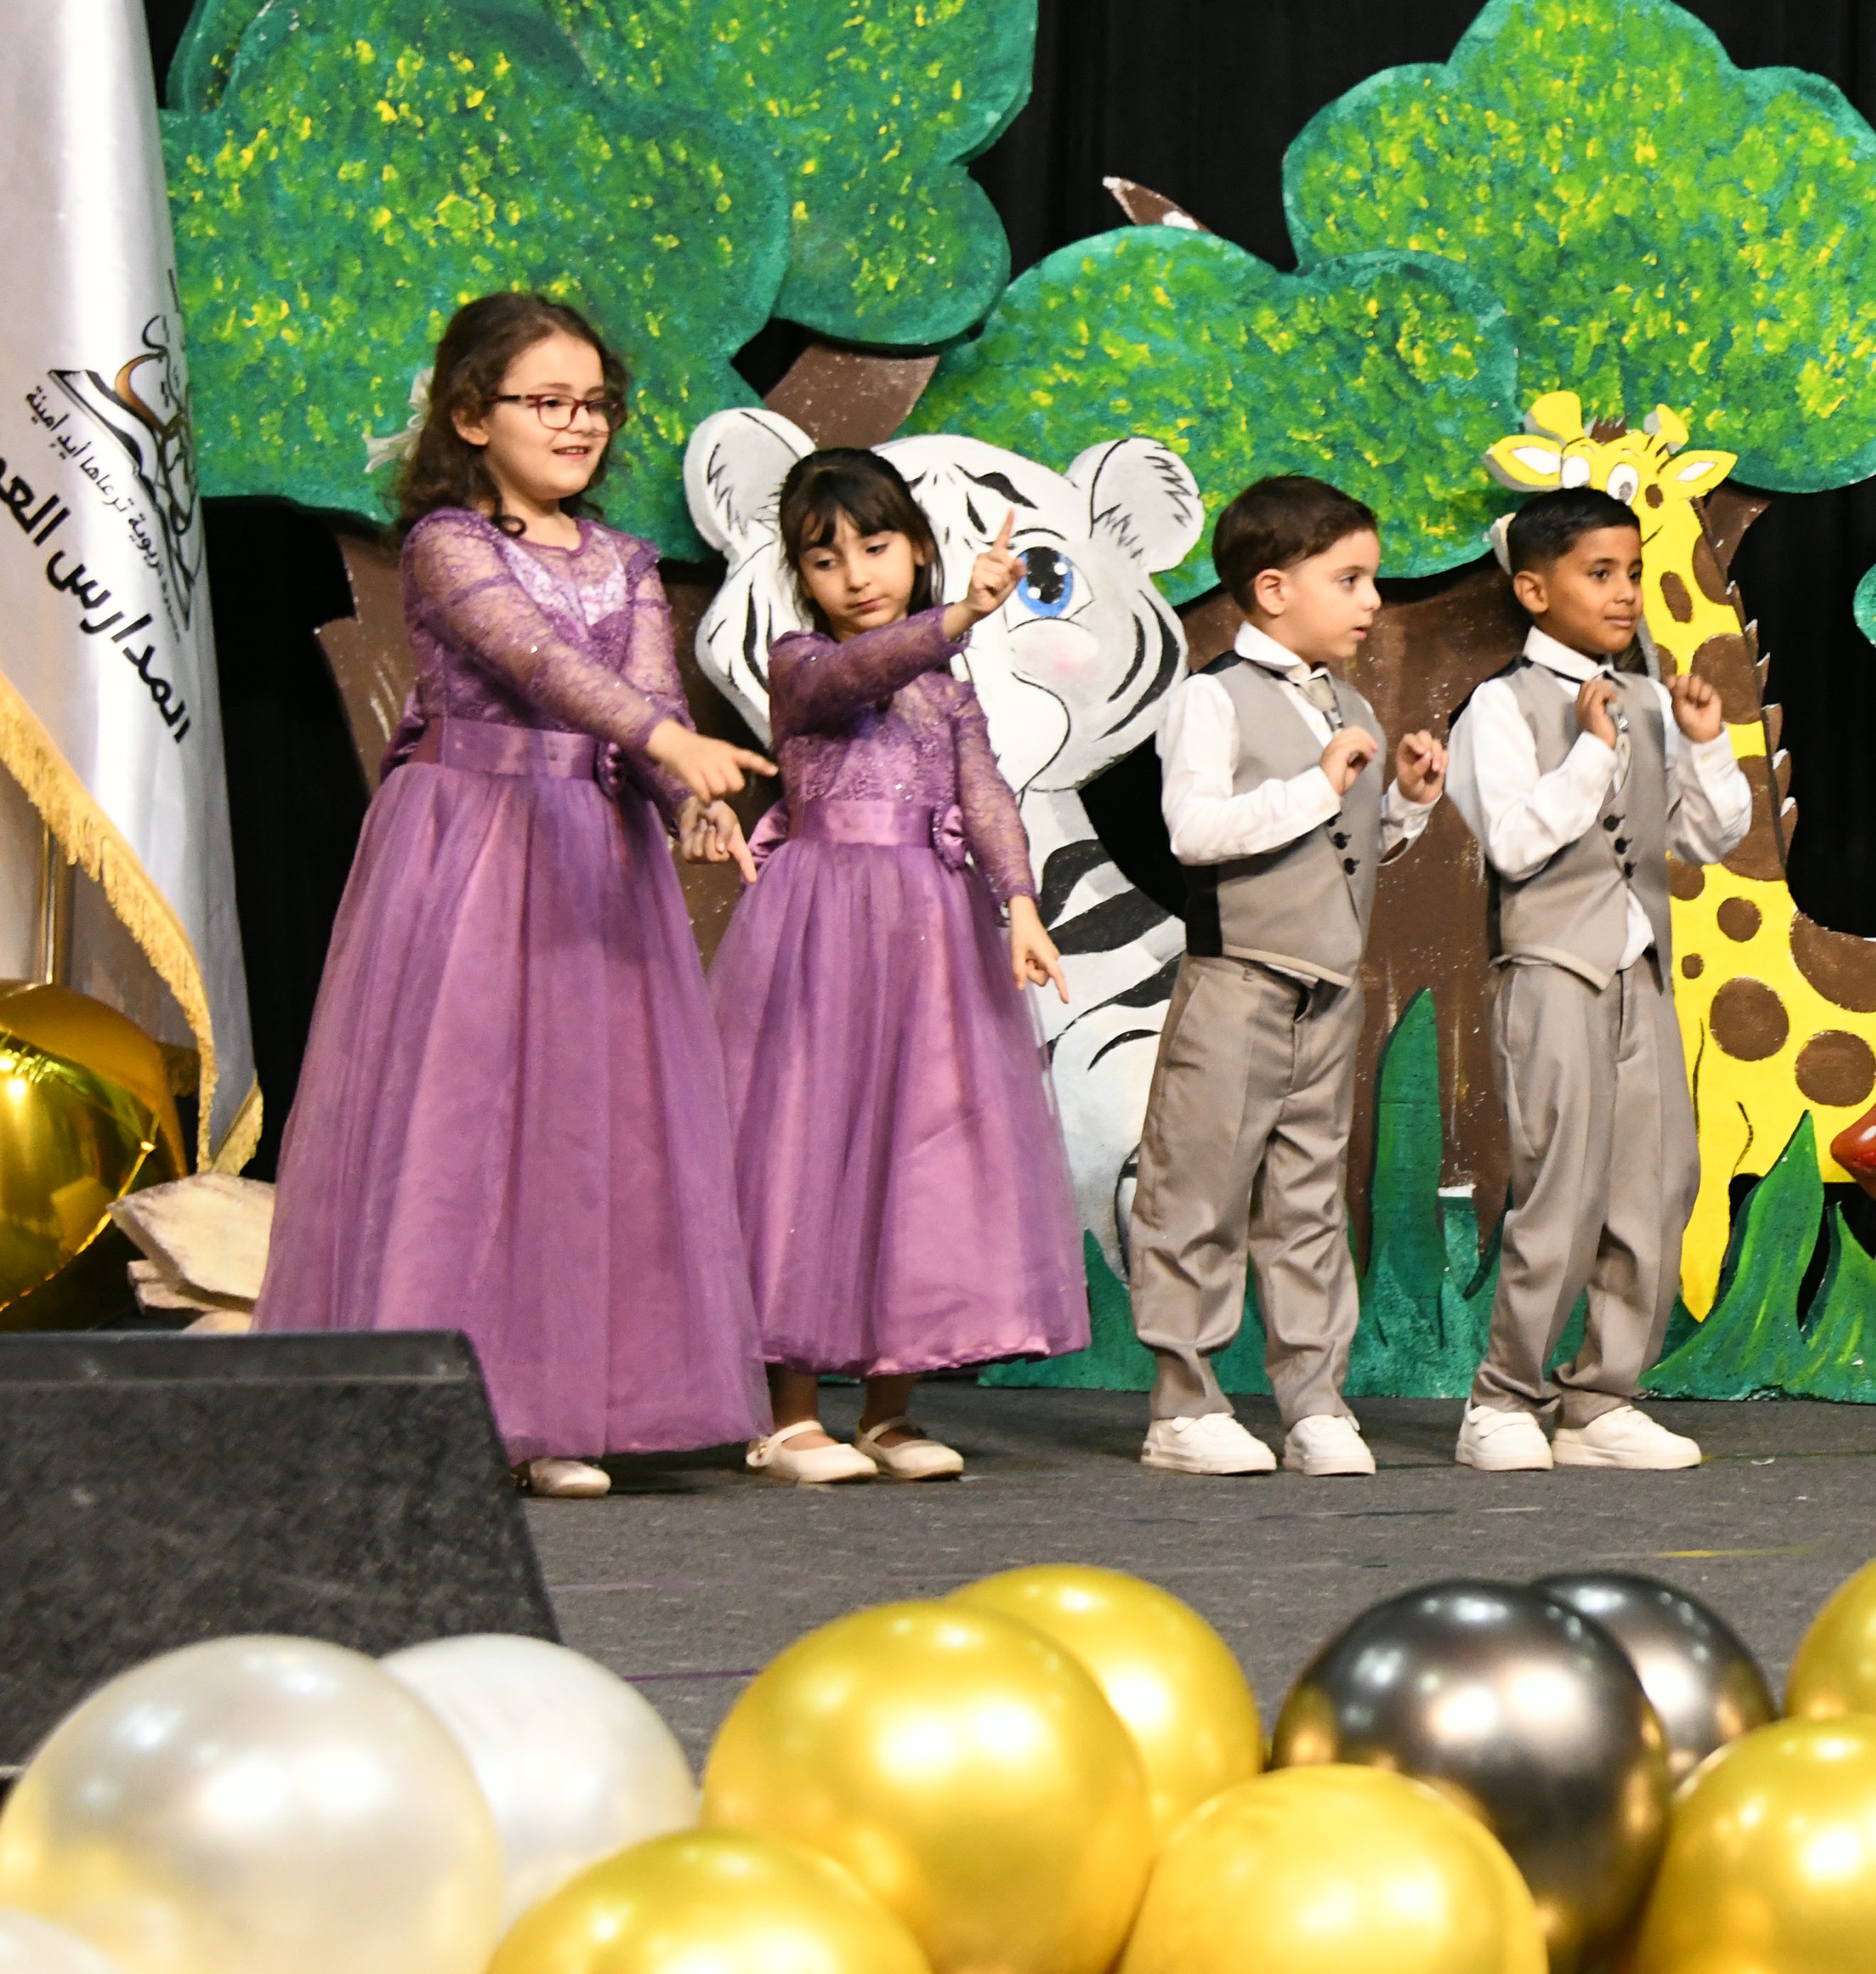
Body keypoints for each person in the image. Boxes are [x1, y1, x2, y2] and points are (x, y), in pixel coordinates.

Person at [255, 292, 773, 1495]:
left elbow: (650, 701)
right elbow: (536, 663)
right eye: (549, 401)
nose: (579, 424)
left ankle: (556, 1411)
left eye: (596, 404)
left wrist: (688, 800)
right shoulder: (448, 545)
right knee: (461, 1122)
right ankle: (444, 1406)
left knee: (584, 1129)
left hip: (594, 853)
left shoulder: (626, 563)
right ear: (472, 416)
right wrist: (662, 738)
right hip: (474, 849)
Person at [706, 447, 1087, 1483]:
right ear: (800, 578)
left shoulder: (949, 691)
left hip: (930, 934)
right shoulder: (800, 663)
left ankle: (889, 1408)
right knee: (804, 1144)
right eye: (825, 560)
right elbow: (852, 678)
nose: (856, 576)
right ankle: (788, 1415)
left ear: (916, 548)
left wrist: (1019, 903)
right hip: (823, 928)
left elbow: (986, 796)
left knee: (921, 1149)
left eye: (875, 548)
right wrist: (959, 614)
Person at [1130, 475, 1445, 1478]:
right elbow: (1195, 832)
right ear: (1272, 589)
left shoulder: (1347, 702)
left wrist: (1403, 806)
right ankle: (1184, 1403)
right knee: (1200, 1189)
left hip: (1329, 988)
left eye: (1371, 580)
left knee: (1309, 1200)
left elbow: (1342, 854)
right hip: (1240, 981)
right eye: (1348, 579)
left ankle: (1315, 1400)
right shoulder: (1210, 698)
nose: (1371, 601)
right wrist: (1317, 784)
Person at [1443, 484, 1747, 1473]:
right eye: (1599, 573)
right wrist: (1591, 754)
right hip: (1553, 968)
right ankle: (1502, 1399)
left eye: (1633, 573)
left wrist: (1704, 743)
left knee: (1657, 1184)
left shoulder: (1651, 700)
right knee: (1561, 1188)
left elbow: (1707, 839)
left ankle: (1602, 1400)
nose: (1625, 594)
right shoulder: (1499, 705)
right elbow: (1515, 844)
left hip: (1639, 969)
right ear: (1535, 590)